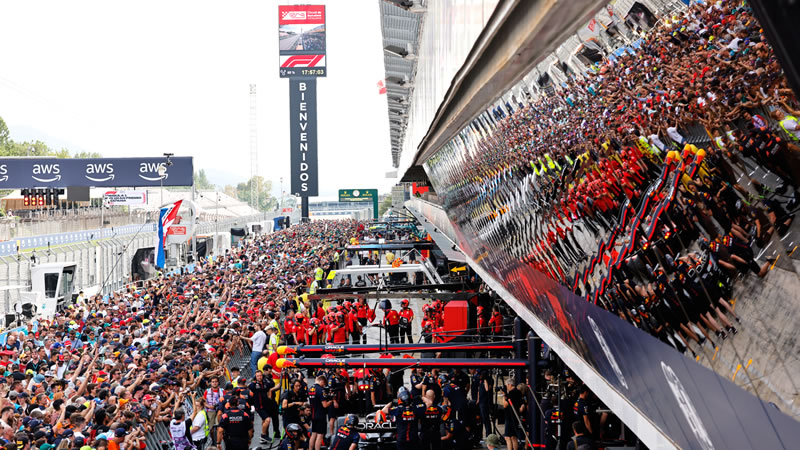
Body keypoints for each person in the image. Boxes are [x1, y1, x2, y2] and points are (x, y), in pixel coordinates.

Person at [250, 369, 280, 445]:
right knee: (267, 420)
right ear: (255, 377)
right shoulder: (253, 385)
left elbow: (273, 386)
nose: (259, 377)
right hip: (259, 407)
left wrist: (281, 377)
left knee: (264, 421)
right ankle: (263, 435)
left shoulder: (266, 383)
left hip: (266, 406)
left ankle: (263, 439)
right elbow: (248, 390)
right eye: (257, 376)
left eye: (260, 375)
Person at [308, 375, 333, 450]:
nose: (324, 386)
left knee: (314, 434)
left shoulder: (311, 388)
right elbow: (325, 405)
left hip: (313, 414)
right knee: (320, 435)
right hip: (320, 415)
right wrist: (330, 401)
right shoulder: (321, 390)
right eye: (324, 384)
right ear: (321, 381)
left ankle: (310, 449)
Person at [500, 379, 522, 450]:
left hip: (510, 416)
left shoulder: (511, 394)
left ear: (509, 385)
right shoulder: (518, 392)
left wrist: (504, 395)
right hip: (516, 415)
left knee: (507, 437)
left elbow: (505, 405)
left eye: (506, 385)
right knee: (513, 436)